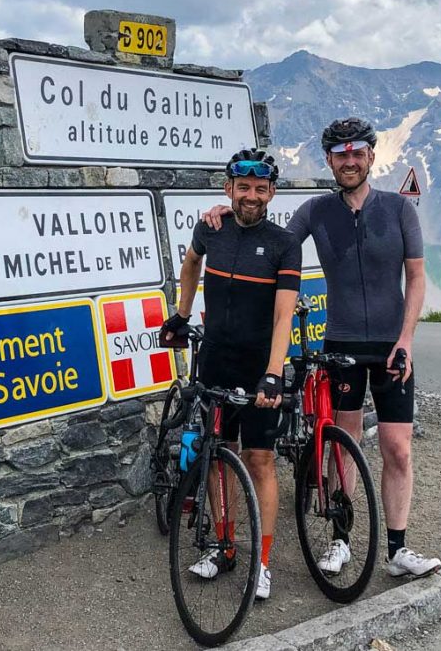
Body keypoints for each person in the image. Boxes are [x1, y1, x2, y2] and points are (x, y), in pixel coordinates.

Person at [203, 118, 441, 579]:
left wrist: (407, 340)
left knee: (398, 448)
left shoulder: (398, 210)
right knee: (343, 443)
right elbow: (270, 241)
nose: (349, 161)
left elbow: (415, 276)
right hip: (342, 344)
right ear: (330, 161)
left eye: (357, 153)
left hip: (393, 346)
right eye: (340, 155)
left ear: (371, 157)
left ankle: (397, 549)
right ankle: (340, 539)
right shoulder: (315, 211)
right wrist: (228, 212)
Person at [160, 148, 302, 601]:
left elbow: (284, 318)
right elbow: (190, 263)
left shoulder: (284, 244)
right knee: (220, 455)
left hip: (260, 367)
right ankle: (224, 548)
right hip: (217, 361)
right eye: (244, 188)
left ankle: (261, 562)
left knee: (259, 460)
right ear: (229, 189)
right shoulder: (211, 227)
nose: (252, 196)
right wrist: (180, 316)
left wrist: (274, 375)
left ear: (272, 193)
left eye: (261, 189)